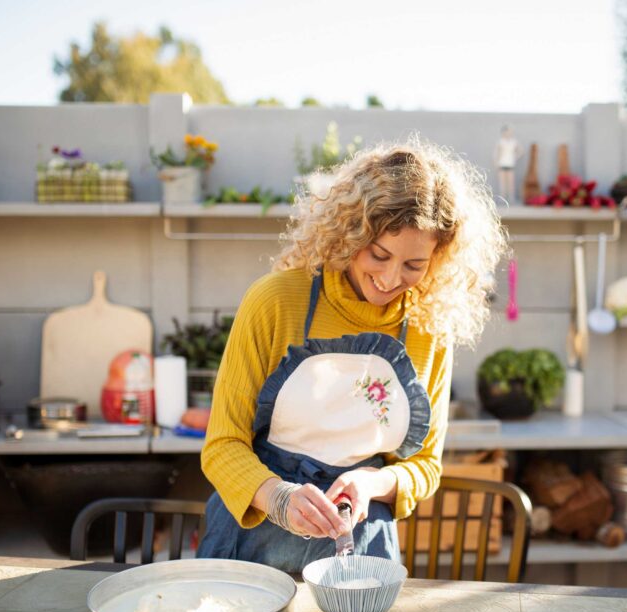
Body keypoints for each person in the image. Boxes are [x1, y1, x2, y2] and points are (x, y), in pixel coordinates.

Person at [197, 137, 508, 572]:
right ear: (350, 231)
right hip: (252, 543)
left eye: (413, 266)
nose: (389, 278)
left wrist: (374, 482)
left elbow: (424, 467)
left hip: (362, 547)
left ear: (437, 260)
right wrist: (279, 497)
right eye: (379, 254)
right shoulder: (275, 301)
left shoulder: (429, 327)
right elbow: (221, 446)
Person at [494, 124, 521, 204]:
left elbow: (520, 151)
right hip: (502, 163)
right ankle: (502, 198)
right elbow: (496, 153)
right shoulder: (500, 141)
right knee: (502, 182)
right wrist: (496, 162)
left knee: (510, 182)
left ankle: (511, 198)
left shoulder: (514, 142)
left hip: (510, 164)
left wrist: (515, 157)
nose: (508, 133)